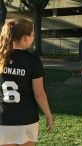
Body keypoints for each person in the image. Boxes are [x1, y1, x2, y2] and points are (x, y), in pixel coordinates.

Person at [0, 18, 54, 146]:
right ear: (25, 37)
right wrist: (49, 116)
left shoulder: (1, 57)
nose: (33, 38)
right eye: (33, 35)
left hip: (3, 118)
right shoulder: (33, 60)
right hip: (27, 118)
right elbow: (39, 93)